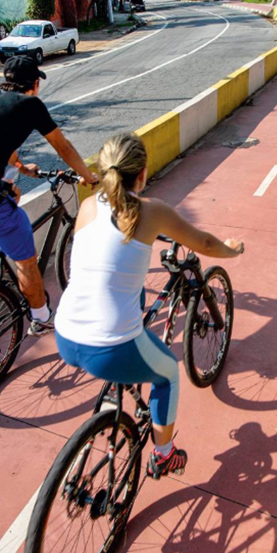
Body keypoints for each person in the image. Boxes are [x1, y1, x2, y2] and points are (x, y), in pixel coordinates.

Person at [54, 133, 245, 480]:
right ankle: (164, 453)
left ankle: (119, 387)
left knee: (133, 293)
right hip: (109, 347)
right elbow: (202, 242)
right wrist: (231, 250)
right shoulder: (151, 211)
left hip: (65, 335)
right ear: (141, 173)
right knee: (169, 372)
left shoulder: (88, 206)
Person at [0, 56, 99, 335]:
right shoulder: (30, 104)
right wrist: (88, 176)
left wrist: (20, 167)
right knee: (26, 258)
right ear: (34, 83)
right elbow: (63, 147)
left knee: (13, 192)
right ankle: (41, 317)